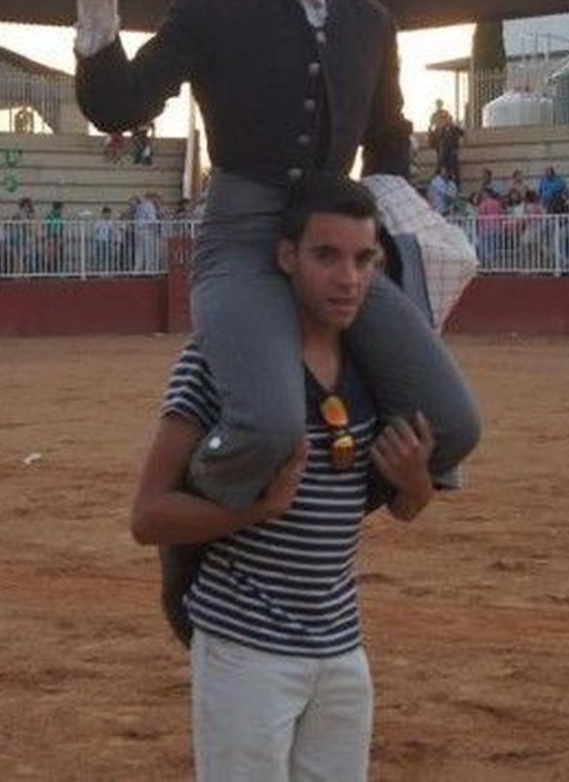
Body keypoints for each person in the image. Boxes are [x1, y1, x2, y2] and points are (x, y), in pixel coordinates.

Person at [68, 0, 479, 632]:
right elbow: (119, 104)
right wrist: (96, 4)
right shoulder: (212, 5)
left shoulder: (370, 21)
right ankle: (189, 547)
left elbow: (388, 132)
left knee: (453, 424)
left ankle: (317, 516)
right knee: (262, 422)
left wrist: (394, 217)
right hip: (246, 243)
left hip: (334, 244)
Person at [131, 173, 437, 779]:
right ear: (286, 256)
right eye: (327, 256)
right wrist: (254, 509)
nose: (348, 278)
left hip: (341, 648)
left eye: (363, 259)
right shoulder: (221, 362)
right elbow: (147, 516)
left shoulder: (370, 367)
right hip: (245, 647)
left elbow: (401, 507)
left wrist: (417, 481)